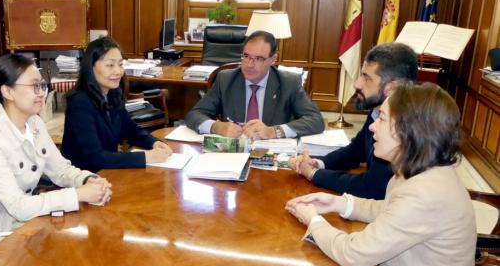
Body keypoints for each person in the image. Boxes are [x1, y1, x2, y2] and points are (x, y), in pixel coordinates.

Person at [285, 83, 479, 266]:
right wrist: (339, 204)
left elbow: (354, 253)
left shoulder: (426, 192)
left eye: (383, 119)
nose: (373, 127)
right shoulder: (420, 172)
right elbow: (391, 211)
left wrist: (313, 221)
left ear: (407, 130)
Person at [0, 54, 112, 241]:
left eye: (42, 85)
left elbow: (61, 170)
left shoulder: (34, 123)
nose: (42, 92)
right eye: (34, 86)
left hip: (22, 226)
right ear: (8, 92)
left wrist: (89, 180)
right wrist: (77, 194)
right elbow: (18, 206)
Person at [289, 42, 418, 199]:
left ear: (391, 88)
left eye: (366, 78)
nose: (357, 83)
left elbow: (371, 187)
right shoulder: (378, 110)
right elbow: (355, 152)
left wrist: (315, 174)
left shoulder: (403, 128)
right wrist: (318, 163)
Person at [184, 30, 324, 140]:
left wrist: (273, 131)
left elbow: (316, 120)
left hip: (272, 155)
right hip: (232, 155)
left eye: (258, 59)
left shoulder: (289, 82)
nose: (250, 64)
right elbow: (194, 115)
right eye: (246, 56)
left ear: (273, 59)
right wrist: (216, 127)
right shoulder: (226, 79)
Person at [61, 37, 173, 172]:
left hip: (107, 172)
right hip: (84, 178)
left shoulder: (112, 94)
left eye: (120, 64)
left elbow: (130, 129)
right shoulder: (79, 103)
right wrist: (146, 157)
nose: (118, 71)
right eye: (110, 65)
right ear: (91, 67)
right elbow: (96, 157)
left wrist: (154, 142)